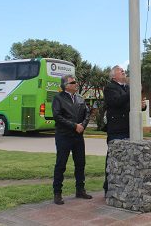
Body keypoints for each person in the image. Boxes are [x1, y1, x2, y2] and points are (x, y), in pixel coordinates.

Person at [102, 65, 146, 195]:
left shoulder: (127, 88)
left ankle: (124, 188)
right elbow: (116, 102)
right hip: (116, 130)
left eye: (124, 70)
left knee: (128, 161)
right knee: (113, 160)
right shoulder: (110, 88)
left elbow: (131, 105)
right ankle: (108, 188)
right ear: (113, 76)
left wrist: (141, 106)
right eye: (120, 70)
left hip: (129, 128)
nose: (123, 72)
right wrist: (132, 92)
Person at [52, 75, 92, 205]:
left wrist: (82, 126)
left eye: (75, 82)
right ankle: (57, 193)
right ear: (66, 85)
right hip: (64, 136)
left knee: (80, 164)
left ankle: (80, 190)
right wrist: (74, 126)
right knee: (61, 164)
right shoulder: (58, 98)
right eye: (73, 82)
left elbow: (87, 114)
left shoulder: (80, 98)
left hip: (78, 137)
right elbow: (57, 116)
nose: (76, 84)